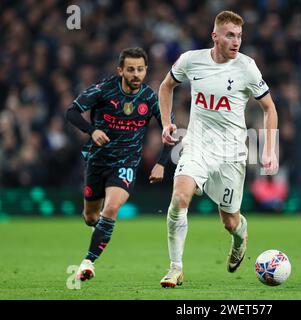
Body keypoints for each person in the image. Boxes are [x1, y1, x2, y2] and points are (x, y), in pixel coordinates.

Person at [158, 11, 279, 287]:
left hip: (231, 153)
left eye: (239, 36)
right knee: (179, 197)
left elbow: (269, 108)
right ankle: (175, 268)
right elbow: (166, 87)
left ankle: (240, 235)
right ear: (215, 36)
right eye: (229, 35)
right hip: (197, 144)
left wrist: (269, 150)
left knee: (229, 221)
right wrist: (167, 123)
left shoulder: (247, 68)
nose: (236, 41)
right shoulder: (191, 60)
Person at [65, 47, 173, 281]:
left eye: (141, 69)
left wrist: (161, 163)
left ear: (146, 70)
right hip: (97, 161)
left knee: (111, 208)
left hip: (126, 163)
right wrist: (91, 130)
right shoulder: (104, 90)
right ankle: (100, 231)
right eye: (131, 69)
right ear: (120, 70)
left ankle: (88, 262)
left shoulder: (149, 98)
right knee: (91, 217)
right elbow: (72, 112)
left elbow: (169, 132)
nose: (136, 74)